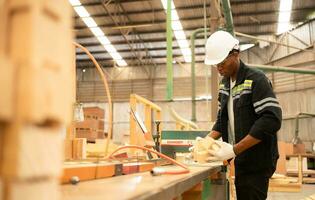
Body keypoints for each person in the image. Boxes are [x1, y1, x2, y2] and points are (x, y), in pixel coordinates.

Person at [204, 30, 282, 200]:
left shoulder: (256, 80)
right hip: (241, 160)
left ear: (236, 54)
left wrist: (234, 149)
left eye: (222, 62)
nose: (219, 68)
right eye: (216, 64)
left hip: (257, 162)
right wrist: (205, 141)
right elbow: (221, 120)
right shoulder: (224, 85)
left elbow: (271, 119)